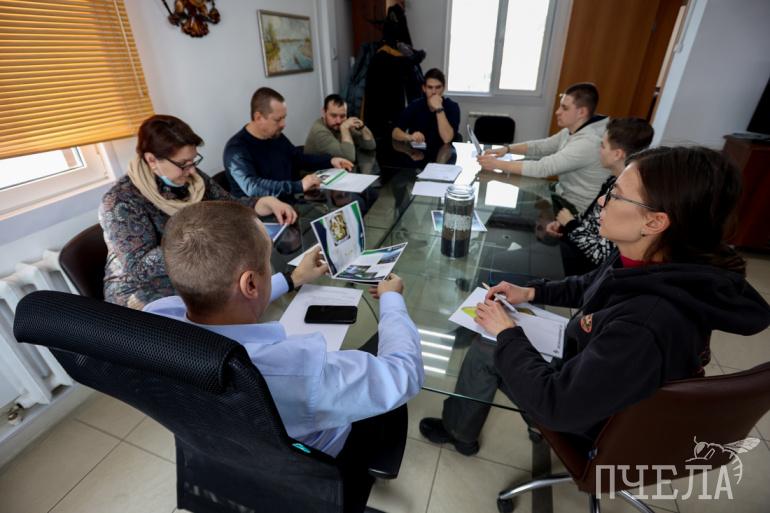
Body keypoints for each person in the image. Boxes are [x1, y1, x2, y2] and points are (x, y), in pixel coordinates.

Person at [421, 146, 770, 454]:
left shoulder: (646, 323)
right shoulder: (651, 257)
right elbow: (593, 283)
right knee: (502, 333)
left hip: (595, 423)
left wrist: (507, 334)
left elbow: (556, 405)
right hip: (595, 370)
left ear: (654, 221)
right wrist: (533, 292)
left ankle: (459, 434)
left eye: (616, 195)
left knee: (488, 346)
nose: (602, 201)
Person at [144, 200, 424, 510]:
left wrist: (291, 279)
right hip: (317, 464)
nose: (270, 269)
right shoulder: (298, 371)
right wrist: (392, 301)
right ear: (251, 283)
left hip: (225, 459)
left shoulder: (152, 324)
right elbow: (405, 373)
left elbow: (217, 300)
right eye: (267, 263)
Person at [99, 114, 296, 310]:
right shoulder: (120, 201)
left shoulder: (192, 178)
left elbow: (229, 206)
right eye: (183, 164)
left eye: (193, 161)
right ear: (152, 160)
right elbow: (140, 269)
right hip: (144, 294)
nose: (192, 170)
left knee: (254, 271)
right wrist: (202, 235)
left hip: (197, 271)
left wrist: (264, 203)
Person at [545, 117, 654, 274]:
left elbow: (599, 255)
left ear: (617, 154)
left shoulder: (628, 198)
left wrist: (570, 224)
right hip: (576, 247)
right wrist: (564, 224)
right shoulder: (611, 180)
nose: (599, 150)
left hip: (586, 269)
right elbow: (591, 220)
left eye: (602, 145)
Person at [478, 82, 609, 212]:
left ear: (581, 112)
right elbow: (542, 146)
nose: (557, 112)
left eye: (564, 108)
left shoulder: (588, 142)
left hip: (578, 209)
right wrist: (508, 149)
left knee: (507, 208)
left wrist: (496, 164)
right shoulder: (574, 129)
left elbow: (543, 168)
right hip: (561, 192)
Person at [224, 87, 354, 201]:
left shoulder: (275, 136)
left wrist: (330, 161)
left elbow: (297, 158)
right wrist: (299, 186)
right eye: (278, 119)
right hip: (260, 216)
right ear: (258, 117)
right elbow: (253, 187)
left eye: (284, 117)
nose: (283, 124)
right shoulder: (236, 149)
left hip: (290, 203)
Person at [304, 94, 379, 174]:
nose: (338, 121)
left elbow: (370, 146)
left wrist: (362, 127)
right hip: (315, 177)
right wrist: (344, 129)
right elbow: (349, 158)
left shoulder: (342, 124)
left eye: (342, 116)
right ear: (323, 112)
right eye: (333, 115)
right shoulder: (319, 131)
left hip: (336, 173)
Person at [391, 68, 460, 151]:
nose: (434, 92)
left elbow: (447, 139)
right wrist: (410, 137)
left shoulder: (452, 107)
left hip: (443, 154)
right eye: (430, 87)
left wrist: (439, 108)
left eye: (438, 87)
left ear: (443, 88)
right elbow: (395, 132)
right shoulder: (415, 105)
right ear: (424, 88)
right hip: (417, 154)